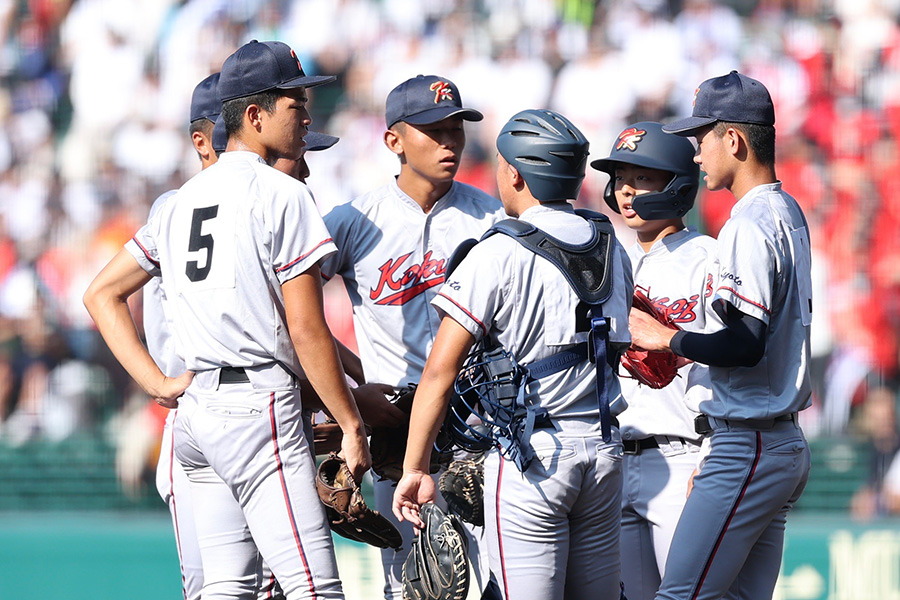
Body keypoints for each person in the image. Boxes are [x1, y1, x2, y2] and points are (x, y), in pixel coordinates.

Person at [84, 40, 369, 600]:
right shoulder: (282, 194)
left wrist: (160, 385)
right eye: (294, 103)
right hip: (256, 407)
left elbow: (102, 294)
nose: (307, 114)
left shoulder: (182, 200)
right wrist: (352, 421)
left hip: (196, 416)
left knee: (228, 588)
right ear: (255, 116)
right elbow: (306, 329)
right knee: (316, 589)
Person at [392, 108, 634, 600]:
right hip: (605, 450)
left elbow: (440, 372)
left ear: (517, 173)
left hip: (535, 459)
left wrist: (414, 468)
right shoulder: (611, 244)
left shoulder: (500, 250)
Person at [319, 74, 506, 599]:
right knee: (414, 585)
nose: (449, 141)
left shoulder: (491, 216)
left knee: (494, 583)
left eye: (455, 129)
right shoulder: (355, 220)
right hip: (397, 423)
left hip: (480, 419)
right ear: (394, 141)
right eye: (432, 130)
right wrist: (353, 383)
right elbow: (293, 312)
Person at [629, 71, 812, 600]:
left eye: (701, 138)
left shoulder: (747, 223)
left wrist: (671, 340)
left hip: (748, 442)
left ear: (732, 139)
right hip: (781, 439)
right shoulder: (787, 210)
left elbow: (744, 343)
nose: (697, 154)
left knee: (679, 595)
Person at [590, 121, 721, 600]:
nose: (626, 189)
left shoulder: (709, 256)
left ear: (676, 185)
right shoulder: (605, 261)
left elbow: (728, 364)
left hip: (685, 454)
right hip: (618, 461)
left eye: (642, 176)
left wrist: (711, 460)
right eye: (620, 175)